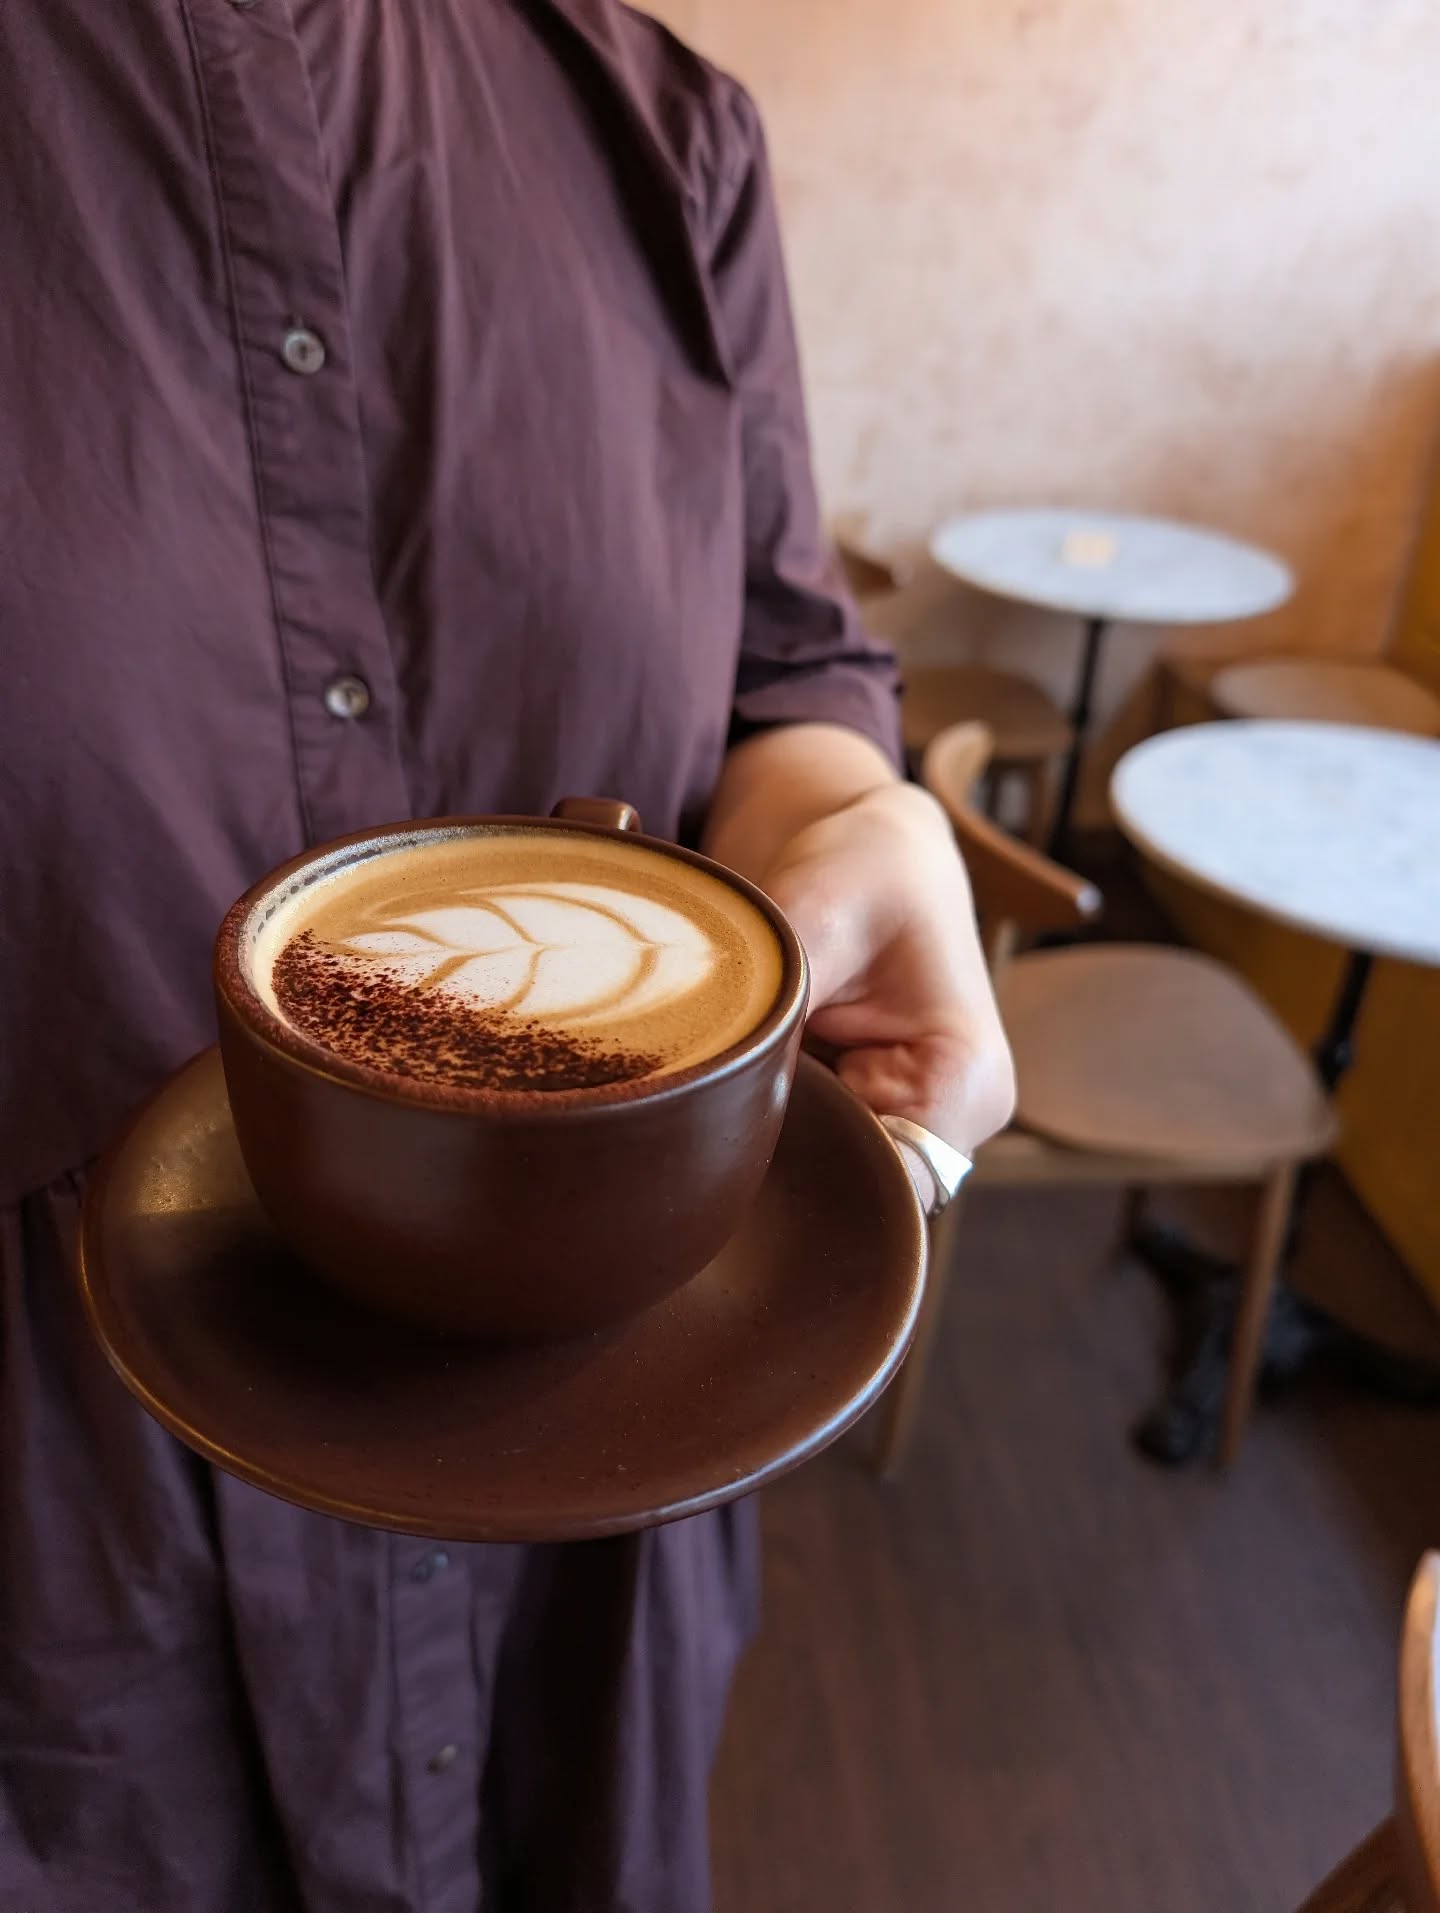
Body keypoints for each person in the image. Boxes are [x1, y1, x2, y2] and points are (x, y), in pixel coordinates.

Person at [0, 4, 1014, 1908]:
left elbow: (784, 660)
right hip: (68, 1567)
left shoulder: (661, 129)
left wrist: (855, 821)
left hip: (604, 1492)